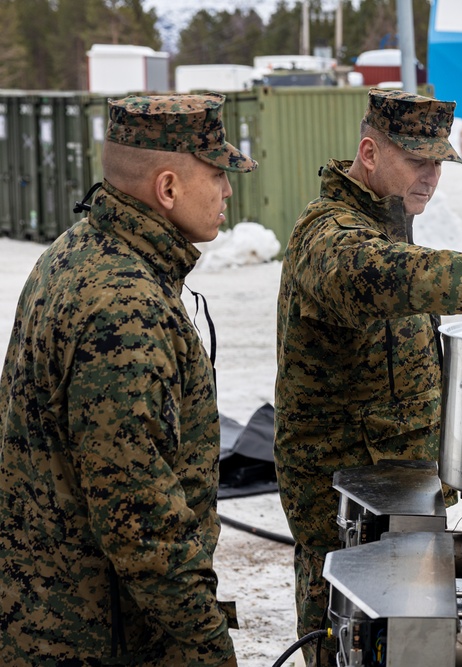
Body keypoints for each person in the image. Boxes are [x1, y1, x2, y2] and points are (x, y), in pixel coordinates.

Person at [274, 88, 462, 664]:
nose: (431, 176)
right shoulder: (328, 234)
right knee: (343, 648)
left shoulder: (389, 228)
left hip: (397, 494)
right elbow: (378, 276)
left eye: (438, 162)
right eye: (416, 160)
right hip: (343, 510)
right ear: (369, 152)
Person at [0, 93, 255, 666]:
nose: (227, 191)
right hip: (93, 637)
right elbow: (142, 525)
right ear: (167, 189)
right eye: (217, 174)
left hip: (56, 616)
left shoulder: (76, 251)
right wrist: (209, 645)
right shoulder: (124, 308)